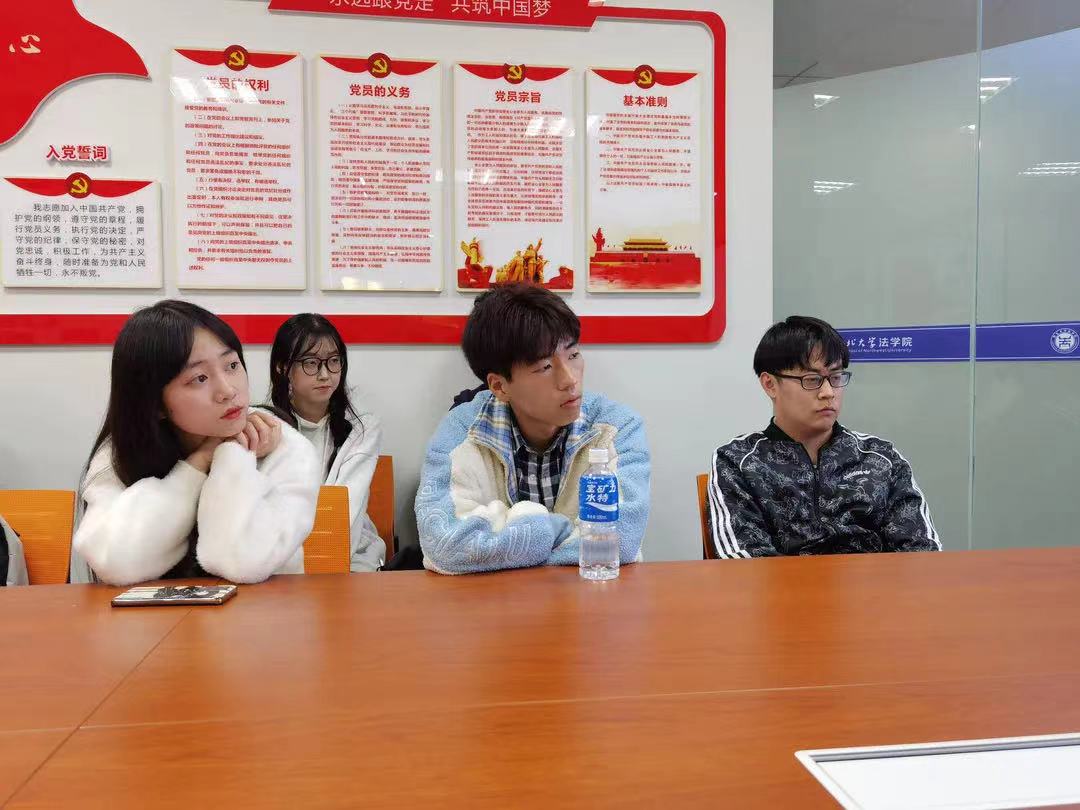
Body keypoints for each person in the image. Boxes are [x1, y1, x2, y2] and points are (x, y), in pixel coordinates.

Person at [72, 300, 321, 586]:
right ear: (154, 403)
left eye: (232, 365)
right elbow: (116, 562)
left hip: (263, 611)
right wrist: (198, 464)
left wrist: (234, 453)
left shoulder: (283, 445)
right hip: (153, 616)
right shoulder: (120, 454)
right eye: (199, 378)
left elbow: (240, 560)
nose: (228, 390)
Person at [416, 282, 650, 574]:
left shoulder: (615, 428)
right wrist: (557, 530)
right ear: (499, 386)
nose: (570, 380)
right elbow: (445, 546)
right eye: (545, 367)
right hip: (493, 600)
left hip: (590, 596)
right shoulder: (461, 432)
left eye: (573, 355)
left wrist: (505, 545)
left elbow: (621, 541)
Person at [706, 315, 940, 558]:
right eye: (812, 380)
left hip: (874, 582)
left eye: (835, 378)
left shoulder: (880, 457)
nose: (828, 393)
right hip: (782, 583)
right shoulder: (738, 462)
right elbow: (745, 561)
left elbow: (922, 553)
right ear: (770, 384)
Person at [268, 314, 385, 572]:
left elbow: (344, 516)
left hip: (350, 556)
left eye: (333, 361)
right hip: (282, 560)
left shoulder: (362, 427)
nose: (325, 375)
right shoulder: (267, 427)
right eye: (311, 363)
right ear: (282, 367)